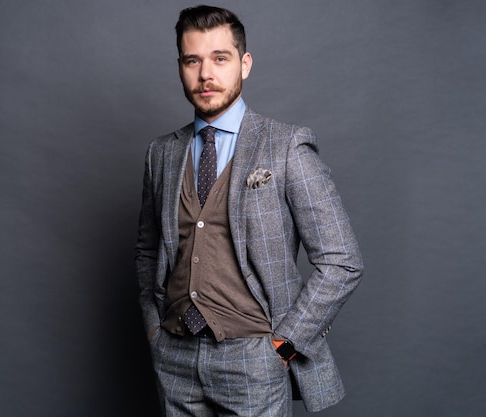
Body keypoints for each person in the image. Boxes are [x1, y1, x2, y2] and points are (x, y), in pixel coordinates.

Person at [135, 5, 364, 416]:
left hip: (254, 362)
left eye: (220, 59)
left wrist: (286, 343)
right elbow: (147, 252)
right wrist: (155, 331)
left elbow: (342, 261)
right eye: (193, 61)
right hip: (175, 359)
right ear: (181, 68)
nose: (206, 74)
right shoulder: (162, 154)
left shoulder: (286, 146)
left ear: (245, 64)